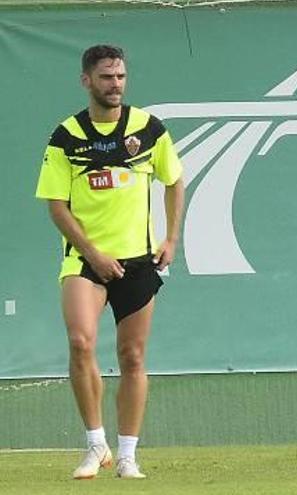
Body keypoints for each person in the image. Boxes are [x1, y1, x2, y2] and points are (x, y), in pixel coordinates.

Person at [35, 44, 184, 479]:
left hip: (139, 261)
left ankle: (127, 455)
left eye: (119, 76)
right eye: (105, 77)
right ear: (86, 81)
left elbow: (175, 181)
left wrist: (171, 238)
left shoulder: (149, 129)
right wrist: (93, 254)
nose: (114, 84)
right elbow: (57, 206)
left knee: (132, 356)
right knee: (81, 342)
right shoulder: (66, 136)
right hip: (85, 261)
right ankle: (95, 444)